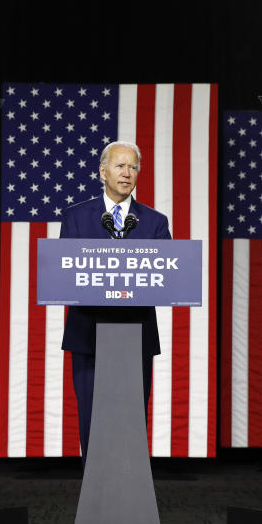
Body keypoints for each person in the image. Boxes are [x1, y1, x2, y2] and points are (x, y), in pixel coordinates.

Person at [59, 141, 172, 464]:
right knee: (91, 419)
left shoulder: (154, 222)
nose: (127, 173)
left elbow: (166, 278)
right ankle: (95, 497)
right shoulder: (76, 217)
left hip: (135, 337)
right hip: (88, 336)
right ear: (102, 171)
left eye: (133, 167)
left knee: (131, 421)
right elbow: (65, 273)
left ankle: (130, 494)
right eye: (120, 166)